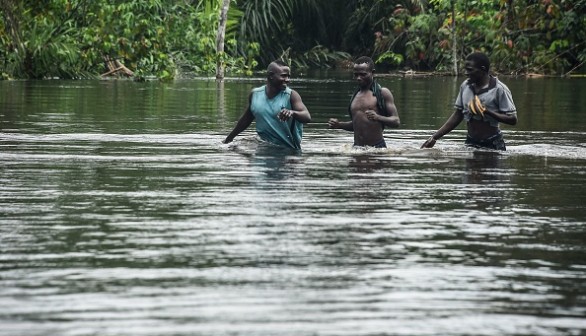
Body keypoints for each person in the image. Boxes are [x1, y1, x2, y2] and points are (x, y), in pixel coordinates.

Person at [421, 52, 517, 151]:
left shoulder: (499, 89)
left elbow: (513, 119)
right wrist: (434, 137)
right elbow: (458, 115)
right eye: (466, 69)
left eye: (470, 70)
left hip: (492, 143)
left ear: (483, 69)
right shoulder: (465, 86)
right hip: (470, 143)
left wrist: (487, 111)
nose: (466, 73)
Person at [223, 60, 311, 149]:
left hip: (288, 150)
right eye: (283, 76)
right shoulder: (255, 94)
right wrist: (229, 139)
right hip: (264, 146)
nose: (287, 80)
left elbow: (307, 117)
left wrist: (292, 113)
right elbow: (246, 119)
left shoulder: (291, 95)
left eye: (288, 76)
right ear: (271, 76)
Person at [328, 56, 400, 148]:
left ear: (372, 73)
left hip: (376, 148)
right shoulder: (355, 95)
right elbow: (357, 124)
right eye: (356, 74)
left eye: (363, 74)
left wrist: (378, 117)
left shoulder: (382, 93)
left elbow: (396, 121)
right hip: (356, 148)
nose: (358, 78)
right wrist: (339, 125)